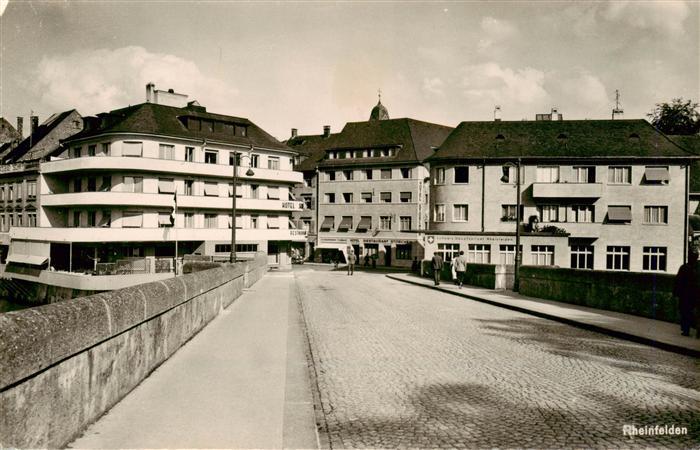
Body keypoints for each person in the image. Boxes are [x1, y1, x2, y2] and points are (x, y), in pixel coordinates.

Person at [673, 246, 700, 337]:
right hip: (694, 294)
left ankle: (686, 330)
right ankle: (695, 331)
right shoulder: (696, 267)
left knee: (686, 312)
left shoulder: (684, 267)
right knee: (692, 313)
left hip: (687, 295)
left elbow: (678, 281)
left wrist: (676, 293)